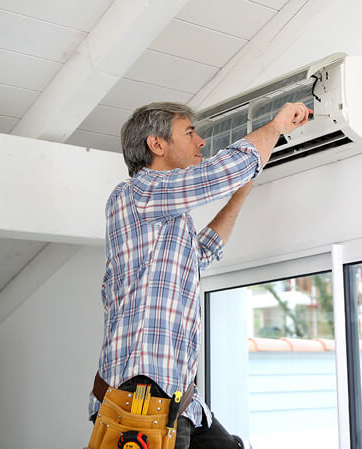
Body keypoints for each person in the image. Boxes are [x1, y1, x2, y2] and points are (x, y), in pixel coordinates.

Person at [86, 101, 311, 449]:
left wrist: (240, 193)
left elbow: (201, 252)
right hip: (139, 404)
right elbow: (219, 173)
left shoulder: (165, 216)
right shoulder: (137, 194)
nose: (201, 141)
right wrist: (276, 126)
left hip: (177, 402)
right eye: (190, 132)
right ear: (156, 145)